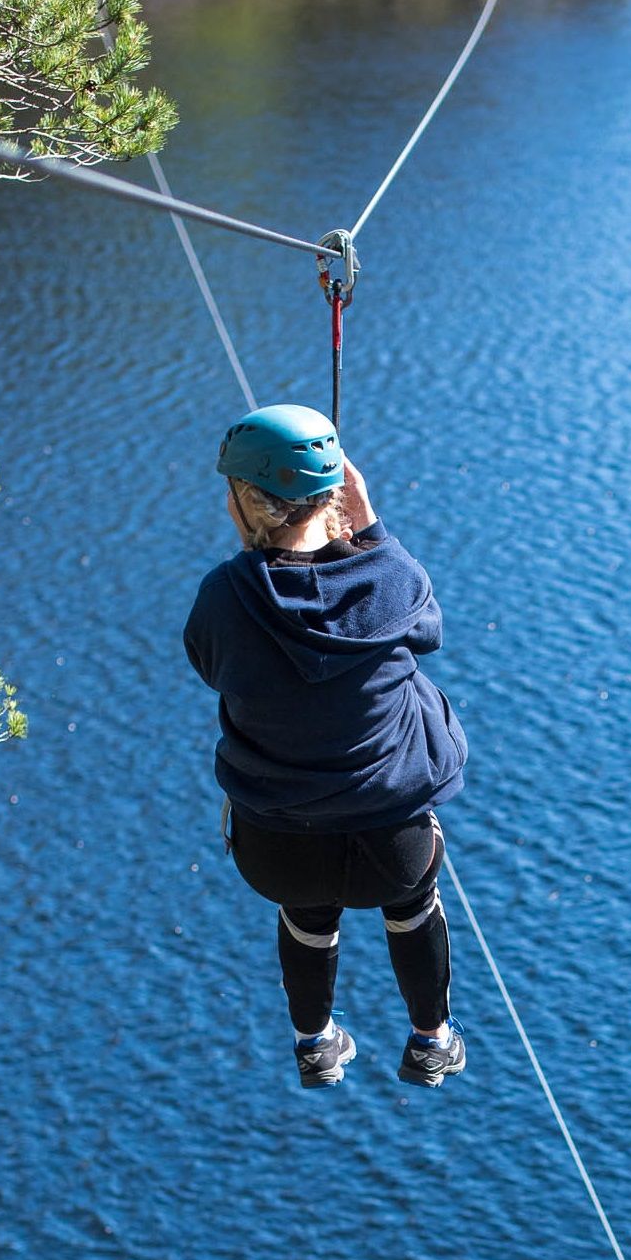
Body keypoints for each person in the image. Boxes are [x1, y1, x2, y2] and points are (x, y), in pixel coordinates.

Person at [183, 404, 470, 1089]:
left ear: (246, 499)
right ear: (339, 488)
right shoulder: (391, 578)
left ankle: (314, 1042)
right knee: (411, 907)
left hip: (278, 848)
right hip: (392, 843)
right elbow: (427, 627)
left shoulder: (225, 596)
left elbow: (207, 664)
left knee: (307, 914)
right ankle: (431, 1040)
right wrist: (366, 531)